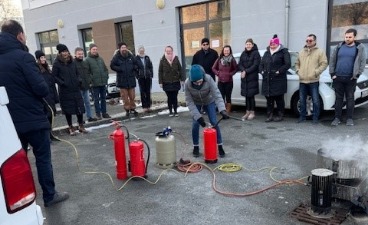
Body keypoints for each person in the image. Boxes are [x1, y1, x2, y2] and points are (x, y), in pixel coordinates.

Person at [0, 19, 69, 207]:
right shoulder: (23, 57)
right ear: (19, 35)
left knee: (16, 162)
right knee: (43, 158)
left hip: (8, 123)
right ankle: (49, 195)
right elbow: (40, 88)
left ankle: (23, 199)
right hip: (33, 119)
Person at [185, 64, 230, 158]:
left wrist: (222, 110)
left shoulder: (208, 79)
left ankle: (220, 146)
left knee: (214, 122)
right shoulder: (187, 83)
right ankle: (196, 147)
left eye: (200, 81)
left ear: (203, 76)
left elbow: (217, 94)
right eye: (195, 82)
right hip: (196, 102)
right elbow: (189, 102)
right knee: (195, 123)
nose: (198, 84)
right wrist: (199, 118)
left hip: (209, 100)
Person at [329, 28, 367, 126]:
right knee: (338, 99)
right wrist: (332, 74)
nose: (347, 39)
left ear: (354, 37)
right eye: (346, 37)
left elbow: (362, 62)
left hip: (351, 79)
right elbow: (332, 60)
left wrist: (357, 75)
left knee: (350, 99)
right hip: (338, 78)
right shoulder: (339, 47)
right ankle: (337, 118)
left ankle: (349, 119)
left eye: (350, 37)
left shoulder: (359, 47)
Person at [52, 44, 87, 135]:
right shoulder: (57, 63)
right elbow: (54, 76)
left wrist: (79, 80)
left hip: (75, 88)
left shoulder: (72, 62)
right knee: (68, 109)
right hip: (65, 90)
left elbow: (77, 73)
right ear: (60, 53)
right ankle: (70, 126)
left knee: (79, 107)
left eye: (66, 51)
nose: (65, 53)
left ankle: (81, 125)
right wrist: (62, 83)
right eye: (63, 52)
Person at [295, 34, 328, 123]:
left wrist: (316, 72)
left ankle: (315, 118)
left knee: (316, 100)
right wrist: (298, 71)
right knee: (302, 100)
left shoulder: (320, 52)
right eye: (307, 40)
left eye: (310, 40)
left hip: (314, 80)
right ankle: (302, 117)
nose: (308, 42)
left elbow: (324, 64)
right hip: (302, 80)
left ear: (315, 41)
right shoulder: (301, 51)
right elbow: (296, 63)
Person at [259, 34, 291, 122]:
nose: (272, 46)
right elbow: (261, 64)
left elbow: (287, 64)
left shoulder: (284, 52)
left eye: (274, 44)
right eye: (271, 44)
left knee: (279, 99)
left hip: (278, 79)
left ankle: (280, 115)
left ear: (278, 44)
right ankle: (269, 115)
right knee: (269, 99)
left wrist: (279, 71)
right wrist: (261, 71)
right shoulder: (266, 53)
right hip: (267, 79)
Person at [35, 50, 60, 140]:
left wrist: (56, 97)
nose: (44, 59)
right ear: (38, 59)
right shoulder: (37, 70)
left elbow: (52, 83)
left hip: (51, 95)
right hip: (45, 97)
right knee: (47, 115)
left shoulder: (47, 69)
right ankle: (47, 136)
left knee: (52, 116)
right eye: (41, 57)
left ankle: (51, 134)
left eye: (44, 57)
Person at [110, 42, 141, 117]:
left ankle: (133, 108)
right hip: (122, 80)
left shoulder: (130, 56)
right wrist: (119, 69)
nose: (124, 49)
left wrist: (134, 68)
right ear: (120, 49)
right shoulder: (116, 57)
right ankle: (127, 109)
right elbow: (112, 65)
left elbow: (136, 64)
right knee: (125, 97)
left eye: (125, 47)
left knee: (132, 96)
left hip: (131, 79)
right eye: (122, 48)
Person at [85, 43, 111, 120]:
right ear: (90, 50)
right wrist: (91, 80)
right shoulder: (87, 60)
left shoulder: (100, 59)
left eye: (96, 49)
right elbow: (87, 72)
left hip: (103, 82)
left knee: (103, 98)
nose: (95, 51)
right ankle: (98, 113)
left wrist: (106, 77)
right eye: (93, 49)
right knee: (96, 99)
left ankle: (104, 113)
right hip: (94, 84)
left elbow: (105, 69)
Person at [158, 46, 186, 117]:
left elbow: (180, 69)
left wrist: (182, 79)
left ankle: (176, 111)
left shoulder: (176, 58)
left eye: (169, 51)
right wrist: (160, 82)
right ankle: (170, 111)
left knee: (175, 97)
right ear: (165, 51)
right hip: (166, 82)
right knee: (169, 97)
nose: (168, 52)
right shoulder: (162, 59)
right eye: (167, 51)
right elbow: (160, 71)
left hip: (175, 81)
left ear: (172, 51)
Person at [238, 38, 261, 120]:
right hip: (245, 79)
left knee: (251, 96)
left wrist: (246, 71)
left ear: (252, 45)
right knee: (246, 96)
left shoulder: (256, 53)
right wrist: (243, 70)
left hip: (252, 77)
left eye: (249, 44)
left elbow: (255, 65)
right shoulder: (243, 53)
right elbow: (239, 64)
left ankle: (252, 112)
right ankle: (247, 112)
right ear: (245, 45)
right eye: (247, 44)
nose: (248, 46)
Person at [212, 45, 238, 113]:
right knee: (221, 97)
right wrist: (218, 73)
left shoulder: (232, 59)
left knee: (228, 96)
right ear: (223, 51)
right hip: (220, 81)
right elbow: (213, 68)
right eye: (225, 50)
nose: (226, 52)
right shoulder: (219, 59)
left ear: (230, 51)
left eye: (228, 50)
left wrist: (231, 74)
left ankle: (228, 110)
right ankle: (222, 110)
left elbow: (236, 69)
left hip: (229, 81)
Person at [74, 47, 97, 122]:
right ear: (75, 54)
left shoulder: (84, 63)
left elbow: (88, 73)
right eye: (79, 54)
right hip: (78, 87)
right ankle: (80, 119)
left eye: (82, 54)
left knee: (87, 103)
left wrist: (89, 80)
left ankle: (89, 117)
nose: (80, 55)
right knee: (80, 104)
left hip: (86, 86)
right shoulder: (73, 64)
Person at [135, 45, 154, 113]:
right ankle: (144, 106)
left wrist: (151, 74)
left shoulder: (147, 58)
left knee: (148, 92)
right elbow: (135, 69)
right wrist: (137, 76)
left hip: (148, 77)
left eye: (142, 50)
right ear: (138, 51)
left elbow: (150, 66)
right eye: (140, 50)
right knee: (142, 92)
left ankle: (149, 106)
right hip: (141, 77)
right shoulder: (136, 58)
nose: (142, 51)